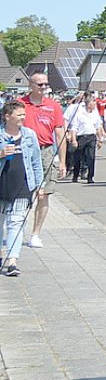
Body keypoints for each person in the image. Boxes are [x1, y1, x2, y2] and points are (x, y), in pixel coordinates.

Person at [1, 101, 46, 276]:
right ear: (7, 116)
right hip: (2, 184)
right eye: (19, 115)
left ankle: (12, 260)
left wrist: (39, 185)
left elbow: (36, 161)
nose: (23, 118)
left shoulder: (29, 135)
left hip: (23, 185)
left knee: (16, 222)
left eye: (23, 114)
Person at [19, 74, 64, 246]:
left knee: (44, 194)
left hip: (46, 151)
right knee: (22, 194)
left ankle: (36, 233)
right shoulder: (19, 104)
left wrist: (62, 160)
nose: (43, 87)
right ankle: (17, 227)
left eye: (46, 84)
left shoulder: (53, 106)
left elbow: (60, 133)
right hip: (24, 150)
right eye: (40, 84)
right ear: (30, 85)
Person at [64, 93, 103, 184]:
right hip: (81, 137)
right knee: (78, 157)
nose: (94, 105)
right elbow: (74, 128)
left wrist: (100, 139)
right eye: (93, 103)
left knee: (91, 157)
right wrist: (74, 140)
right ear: (88, 104)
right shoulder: (80, 114)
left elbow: (98, 127)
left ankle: (90, 177)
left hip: (91, 137)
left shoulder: (95, 114)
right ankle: (76, 175)